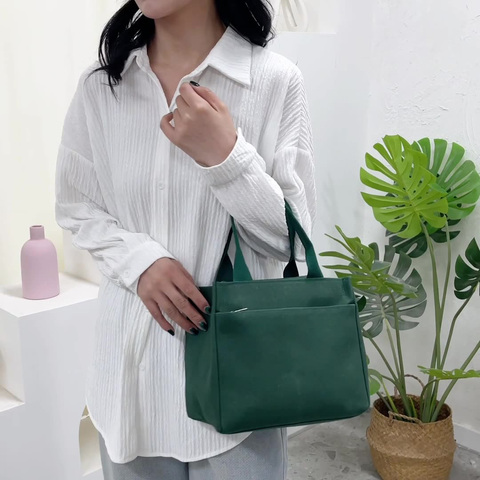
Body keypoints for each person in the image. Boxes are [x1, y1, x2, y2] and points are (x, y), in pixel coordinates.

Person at [54, 0, 317, 478]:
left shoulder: (274, 81)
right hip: (130, 386)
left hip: (241, 392)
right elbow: (77, 205)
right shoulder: (102, 85)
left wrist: (226, 158)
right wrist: (139, 262)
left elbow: (293, 244)